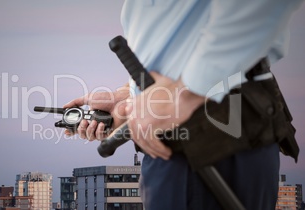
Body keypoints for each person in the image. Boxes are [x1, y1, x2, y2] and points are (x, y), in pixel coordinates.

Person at [64, 0, 303, 209]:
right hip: (173, 142)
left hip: (214, 133)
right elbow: (171, 46)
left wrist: (185, 94)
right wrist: (129, 98)